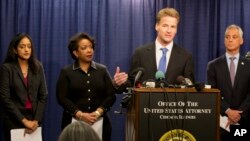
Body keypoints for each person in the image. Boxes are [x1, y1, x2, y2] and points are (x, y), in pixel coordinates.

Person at [113, 7, 194, 91]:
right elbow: (132, 84)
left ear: (176, 30)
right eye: (165, 26)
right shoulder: (141, 53)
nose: (169, 30)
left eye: (173, 27)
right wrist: (119, 82)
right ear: (157, 26)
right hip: (145, 103)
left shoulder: (186, 57)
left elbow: (191, 88)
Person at [56, 32, 116, 141]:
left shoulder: (102, 70)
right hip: (73, 123)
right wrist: (79, 114)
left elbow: (111, 96)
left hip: (100, 122)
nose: (89, 50)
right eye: (84, 48)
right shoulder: (66, 72)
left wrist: (98, 112)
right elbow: (62, 98)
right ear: (75, 52)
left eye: (90, 47)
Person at [0, 33, 48, 141]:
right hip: (14, 120)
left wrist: (36, 121)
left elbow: (43, 95)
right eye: (22, 47)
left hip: (34, 121)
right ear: (15, 50)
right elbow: (5, 98)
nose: (26, 50)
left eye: (29, 46)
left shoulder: (37, 66)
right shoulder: (7, 68)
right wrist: (24, 121)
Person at [206, 24, 250, 141]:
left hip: (244, 120)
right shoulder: (213, 65)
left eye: (234, 37)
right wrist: (228, 111)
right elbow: (212, 92)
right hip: (221, 121)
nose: (230, 39)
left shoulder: (249, 65)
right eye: (227, 37)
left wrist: (238, 114)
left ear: (241, 41)